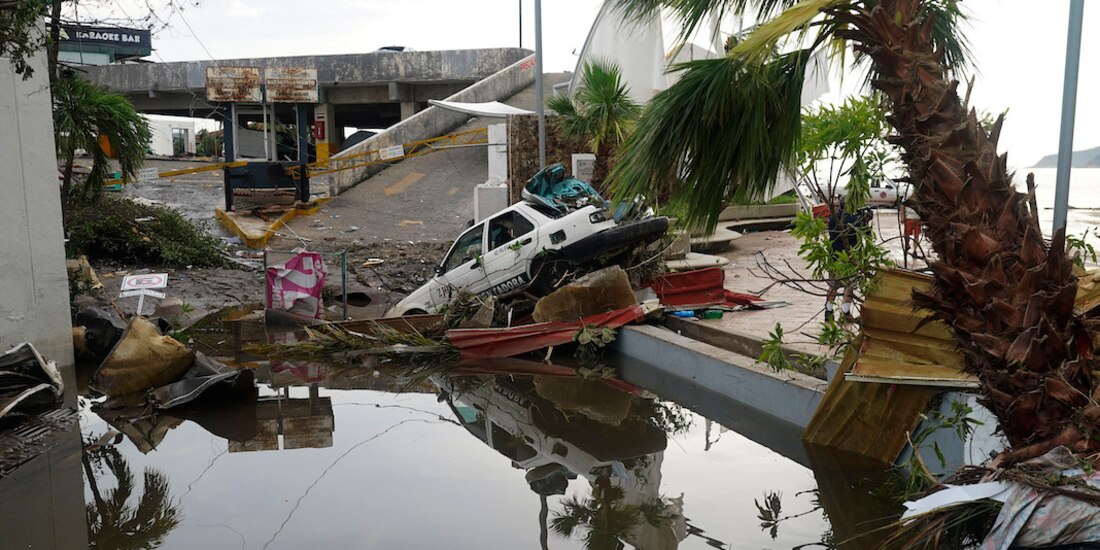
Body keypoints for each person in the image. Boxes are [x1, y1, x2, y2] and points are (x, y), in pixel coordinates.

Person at [825, 197, 870, 322]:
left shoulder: (833, 218)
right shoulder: (856, 220)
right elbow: (867, 235)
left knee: (833, 286)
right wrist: (866, 221)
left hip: (834, 256)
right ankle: (845, 313)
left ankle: (828, 312)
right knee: (849, 286)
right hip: (850, 259)